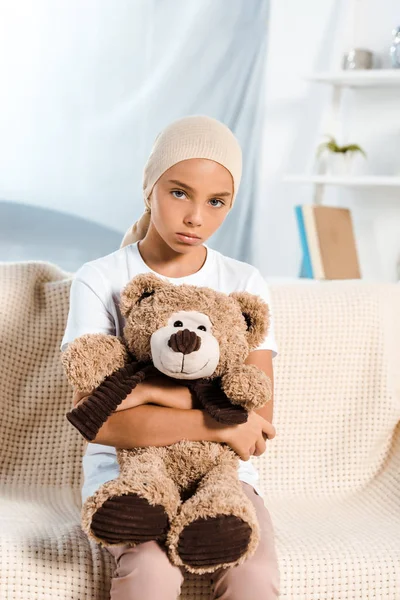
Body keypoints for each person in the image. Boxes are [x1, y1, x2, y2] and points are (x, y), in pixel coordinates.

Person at [60, 115, 281, 599]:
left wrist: (143, 395)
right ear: (148, 188)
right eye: (179, 192)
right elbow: (98, 421)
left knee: (254, 576)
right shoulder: (101, 279)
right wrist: (215, 418)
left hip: (222, 476)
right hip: (126, 474)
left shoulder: (243, 283)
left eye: (216, 201)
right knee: (153, 574)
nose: (196, 216)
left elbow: (257, 425)